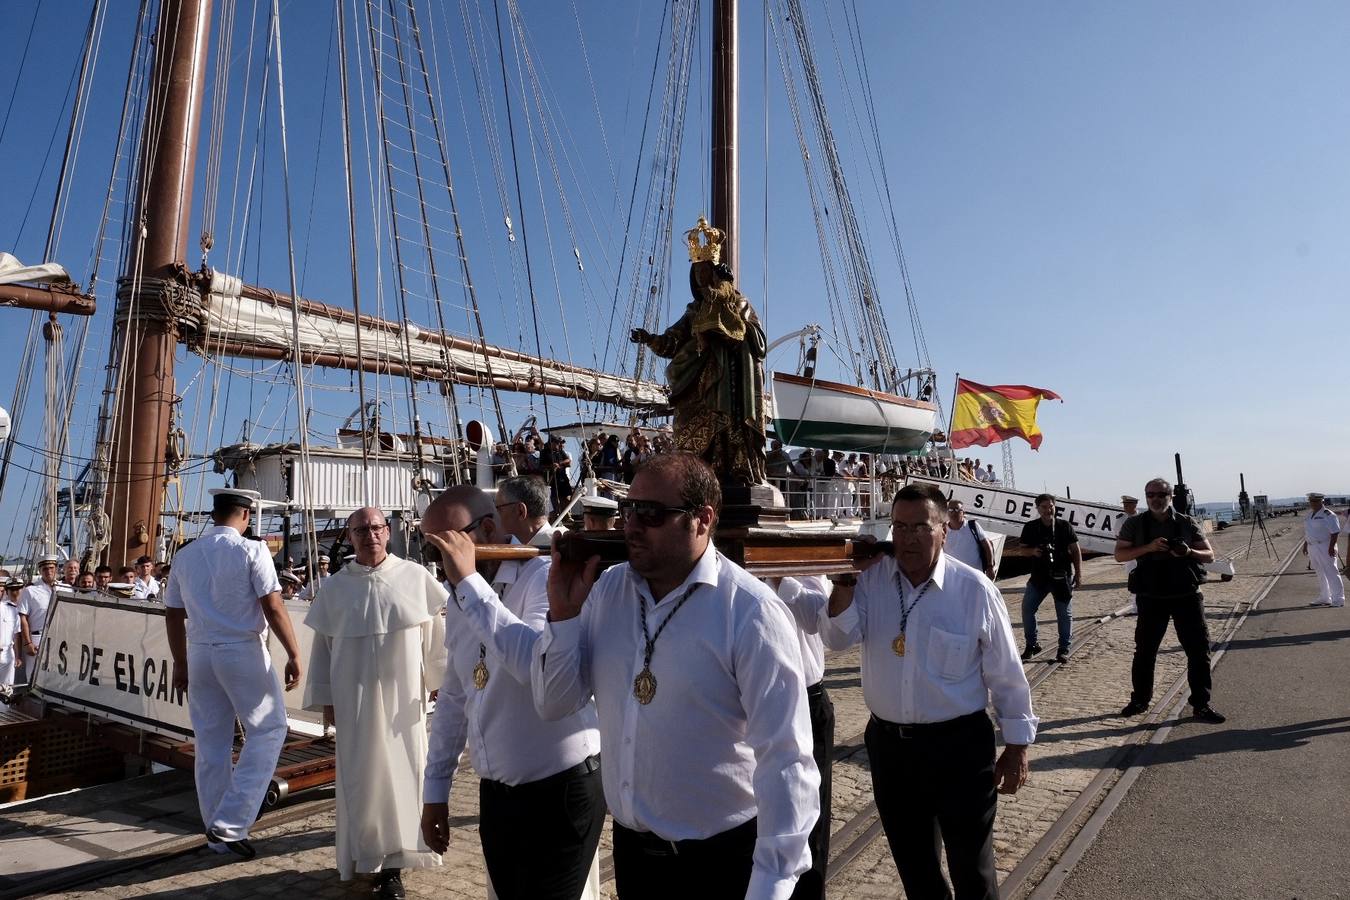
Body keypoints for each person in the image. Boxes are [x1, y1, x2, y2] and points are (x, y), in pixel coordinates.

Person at [534, 453, 819, 899]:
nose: (631, 525)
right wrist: (563, 616)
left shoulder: (750, 612)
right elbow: (554, 703)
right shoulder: (607, 591)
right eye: (629, 510)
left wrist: (771, 884)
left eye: (650, 514)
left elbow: (787, 758)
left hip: (722, 863)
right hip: (635, 856)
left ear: (701, 520)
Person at [821, 481, 1035, 900]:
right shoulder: (870, 580)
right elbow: (837, 638)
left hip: (959, 749)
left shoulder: (973, 590)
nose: (908, 538)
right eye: (899, 527)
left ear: (944, 530)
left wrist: (1017, 745)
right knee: (916, 868)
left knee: (972, 868)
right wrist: (844, 582)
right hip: (890, 747)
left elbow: (1006, 673)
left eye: (920, 527)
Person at [419, 486, 605, 900]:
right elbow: (454, 697)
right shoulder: (463, 594)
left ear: (487, 528)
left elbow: (537, 670)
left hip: (560, 792)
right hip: (499, 796)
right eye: (432, 551)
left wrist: (469, 584)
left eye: (446, 547)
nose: (441, 563)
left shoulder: (545, 577)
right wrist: (435, 790)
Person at [304, 506, 446, 897]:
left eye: (377, 527)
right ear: (350, 536)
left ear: (388, 532)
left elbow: (434, 633)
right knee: (361, 776)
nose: (370, 534)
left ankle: (398, 861)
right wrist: (326, 699)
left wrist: (437, 680)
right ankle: (366, 856)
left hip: (405, 700)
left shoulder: (415, 577)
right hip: (355, 701)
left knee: (406, 770)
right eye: (361, 529)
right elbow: (323, 649)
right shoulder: (335, 587)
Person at [162, 487, 303, 860]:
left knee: (211, 744)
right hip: (240, 652)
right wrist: (293, 652)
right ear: (246, 515)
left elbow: (173, 614)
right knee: (269, 730)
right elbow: (273, 606)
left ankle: (216, 834)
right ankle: (232, 821)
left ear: (215, 514)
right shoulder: (253, 550)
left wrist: (180, 662)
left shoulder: (185, 555)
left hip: (199, 654)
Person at [629, 225, 769, 487]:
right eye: (697, 271)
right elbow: (672, 341)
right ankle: (700, 476)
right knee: (687, 428)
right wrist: (650, 338)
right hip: (698, 383)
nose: (702, 276)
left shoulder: (740, 304)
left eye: (706, 270)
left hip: (732, 381)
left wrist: (732, 328)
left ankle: (735, 470)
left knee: (730, 428)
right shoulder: (694, 311)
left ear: (716, 273)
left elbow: (758, 340)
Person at [1116, 477, 1225, 724]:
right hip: (1151, 596)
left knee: (1198, 651)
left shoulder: (1187, 523)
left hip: (1186, 594)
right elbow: (1119, 555)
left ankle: (1201, 704)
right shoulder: (1135, 524)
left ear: (1170, 497)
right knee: (1144, 652)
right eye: (1150, 495)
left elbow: (1209, 556)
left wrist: (1188, 552)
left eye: (1160, 495)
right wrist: (1149, 548)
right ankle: (1140, 699)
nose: (1155, 499)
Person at [770, 575, 834, 900]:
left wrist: (780, 577)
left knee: (811, 819)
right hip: (749, 704)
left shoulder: (802, 551)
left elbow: (820, 621)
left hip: (806, 700)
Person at [1017, 495, 1082, 665]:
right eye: (1044, 507)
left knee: (1064, 614)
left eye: (1051, 506)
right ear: (1037, 508)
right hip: (1039, 577)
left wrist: (1079, 574)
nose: (1048, 510)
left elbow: (1075, 550)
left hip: (1061, 576)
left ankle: (1064, 649)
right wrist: (1034, 551)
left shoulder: (1064, 526)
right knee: (1027, 609)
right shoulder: (1031, 527)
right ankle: (1032, 645)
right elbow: (1022, 550)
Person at [18, 555, 59, 685]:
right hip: (38, 637)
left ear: (56, 569)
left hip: (59, 636)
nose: (48, 572)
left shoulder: (64, 589)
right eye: (45, 569)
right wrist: (27, 643)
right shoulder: (30, 591)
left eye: (51, 568)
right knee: (33, 677)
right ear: (40, 570)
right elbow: (23, 617)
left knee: (55, 675)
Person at [1301, 492, 1344, 607]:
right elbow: (1309, 532)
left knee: (1331, 572)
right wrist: (1305, 544)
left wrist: (1331, 547)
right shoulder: (1310, 515)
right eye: (1311, 501)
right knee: (1320, 573)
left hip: (1325, 545)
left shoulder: (1328, 515)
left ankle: (1338, 599)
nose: (1313, 503)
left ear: (1321, 501)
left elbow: (1335, 532)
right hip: (1312, 546)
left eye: (1315, 501)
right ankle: (1325, 597)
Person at [494, 476, 559, 549]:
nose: (495, 516)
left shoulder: (552, 556)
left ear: (520, 511)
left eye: (498, 509)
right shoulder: (555, 546)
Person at [944, 499, 996, 580]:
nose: (954, 512)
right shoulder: (943, 529)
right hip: (952, 576)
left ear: (963, 513)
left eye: (957, 509)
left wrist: (990, 567)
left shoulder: (973, 526)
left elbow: (987, 545)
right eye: (950, 509)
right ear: (947, 512)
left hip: (975, 576)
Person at [1119, 495, 1140, 614]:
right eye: (1124, 505)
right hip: (1130, 555)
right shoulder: (1121, 520)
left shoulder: (1144, 518)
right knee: (1133, 580)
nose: (1125, 507)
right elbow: (1118, 537)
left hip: (1144, 553)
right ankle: (1136, 607)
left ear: (1134, 505)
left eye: (1127, 505)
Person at [1, 578, 24, 686]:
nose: (16, 592)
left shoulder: (14, 610)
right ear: (7, 592)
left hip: (8, 653)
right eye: (12, 590)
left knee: (7, 691)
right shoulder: (4, 607)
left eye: (18, 589)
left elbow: (16, 635)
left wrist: (18, 655)